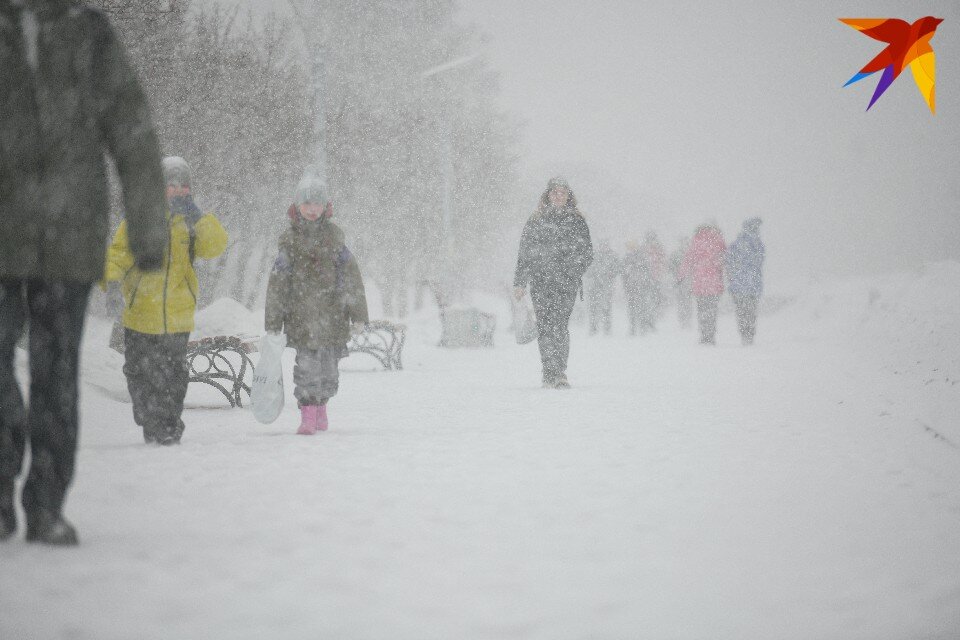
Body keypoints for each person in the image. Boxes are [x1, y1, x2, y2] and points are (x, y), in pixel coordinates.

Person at [0, 0, 167, 545]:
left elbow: (132, 128)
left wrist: (148, 225)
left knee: (55, 373)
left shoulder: (87, 31)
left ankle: (46, 503)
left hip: (67, 237)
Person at [104, 157, 228, 445]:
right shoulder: (139, 220)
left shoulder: (191, 224)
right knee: (139, 373)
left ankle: (169, 424)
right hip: (140, 314)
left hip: (177, 316)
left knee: (174, 375)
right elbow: (119, 253)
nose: (177, 191)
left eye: (183, 186)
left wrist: (197, 216)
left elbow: (216, 245)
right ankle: (148, 415)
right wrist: (110, 281)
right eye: (170, 185)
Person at [264, 175, 369, 434]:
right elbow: (278, 284)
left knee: (329, 371)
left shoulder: (335, 240)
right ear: (298, 206)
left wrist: (358, 316)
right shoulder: (289, 242)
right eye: (307, 203)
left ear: (326, 207)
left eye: (317, 204)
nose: (312, 209)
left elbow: (352, 279)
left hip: (333, 318)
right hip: (302, 319)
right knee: (307, 369)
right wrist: (274, 322)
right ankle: (308, 413)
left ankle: (322, 406)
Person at [513, 177, 593, 388]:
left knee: (560, 326)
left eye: (562, 192)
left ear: (568, 196)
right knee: (545, 326)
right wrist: (520, 282)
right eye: (555, 192)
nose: (558, 196)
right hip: (540, 283)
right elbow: (525, 253)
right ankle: (549, 370)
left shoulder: (577, 221)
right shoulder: (536, 220)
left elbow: (587, 253)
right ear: (548, 195)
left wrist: (572, 271)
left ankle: (559, 371)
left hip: (567, 284)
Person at [678, 222, 726, 345]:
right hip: (714, 283)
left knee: (702, 310)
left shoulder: (696, 242)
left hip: (699, 284)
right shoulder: (718, 242)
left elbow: (688, 260)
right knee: (712, 311)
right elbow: (724, 260)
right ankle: (711, 335)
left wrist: (681, 276)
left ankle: (704, 335)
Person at [725, 217, 765, 345]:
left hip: (738, 285)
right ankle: (749, 335)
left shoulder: (736, 244)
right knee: (751, 312)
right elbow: (759, 262)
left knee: (742, 311)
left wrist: (732, 277)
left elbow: (728, 262)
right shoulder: (758, 245)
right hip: (753, 285)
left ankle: (744, 334)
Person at [622, 239, 658, 335]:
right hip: (633, 287)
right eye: (629, 247)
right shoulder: (630, 258)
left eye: (632, 247)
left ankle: (640, 327)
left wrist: (647, 283)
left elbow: (648, 272)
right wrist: (626, 286)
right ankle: (634, 328)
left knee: (640, 307)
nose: (631, 249)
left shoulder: (641, 257)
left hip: (640, 286)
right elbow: (624, 274)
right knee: (634, 308)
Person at [585, 239, 620, 335]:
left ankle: (607, 328)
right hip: (594, 286)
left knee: (606, 307)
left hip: (606, 286)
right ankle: (593, 328)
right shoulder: (594, 256)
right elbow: (588, 269)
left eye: (605, 246)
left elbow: (618, 268)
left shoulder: (612, 256)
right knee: (593, 308)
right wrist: (593, 275)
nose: (603, 247)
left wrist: (611, 274)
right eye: (602, 245)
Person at [669, 236, 693, 328]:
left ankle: (686, 320)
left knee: (685, 302)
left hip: (686, 281)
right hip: (681, 282)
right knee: (683, 302)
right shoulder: (677, 254)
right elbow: (670, 266)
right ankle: (684, 320)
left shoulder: (689, 254)